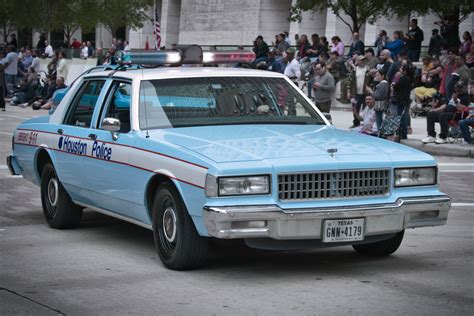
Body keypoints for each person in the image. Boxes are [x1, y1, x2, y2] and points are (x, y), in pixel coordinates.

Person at [347, 55, 370, 127]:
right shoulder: (354, 70)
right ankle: (356, 123)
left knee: (366, 108)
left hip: (365, 93)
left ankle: (366, 123)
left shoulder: (368, 69)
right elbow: (349, 81)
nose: (362, 61)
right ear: (357, 61)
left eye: (363, 60)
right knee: (355, 108)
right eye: (360, 60)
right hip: (356, 93)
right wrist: (348, 92)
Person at [392, 63, 414, 139]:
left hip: (402, 100)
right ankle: (401, 133)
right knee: (401, 116)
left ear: (405, 71)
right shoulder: (406, 78)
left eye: (401, 68)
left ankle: (403, 133)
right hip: (402, 100)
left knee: (402, 117)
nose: (400, 69)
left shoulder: (404, 79)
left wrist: (396, 78)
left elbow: (395, 86)